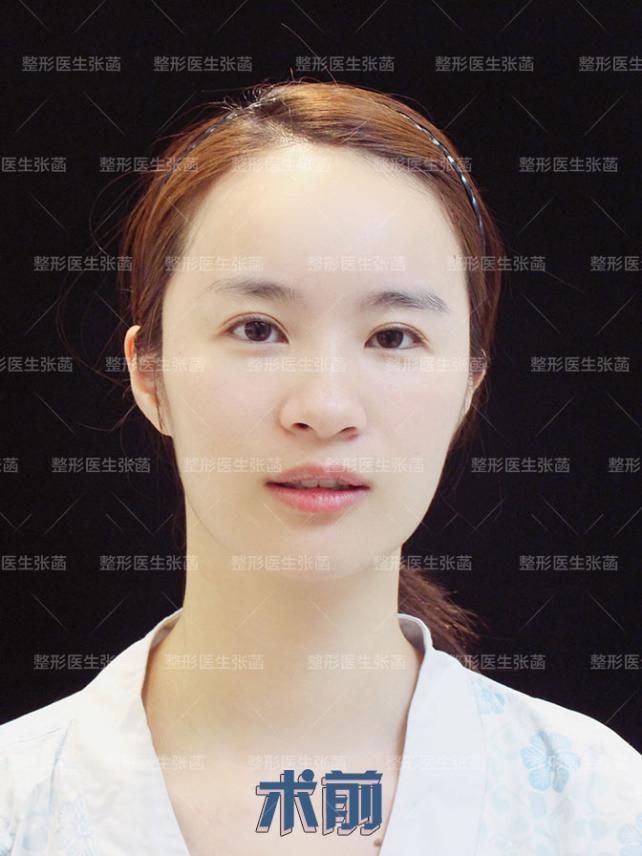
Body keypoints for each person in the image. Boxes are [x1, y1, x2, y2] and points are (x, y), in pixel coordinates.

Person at [1, 79, 640, 855]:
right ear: (150, 374)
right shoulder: (17, 805)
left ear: (469, 384)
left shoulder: (600, 808)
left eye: (393, 336)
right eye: (257, 328)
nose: (326, 407)